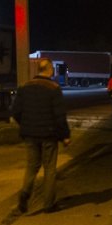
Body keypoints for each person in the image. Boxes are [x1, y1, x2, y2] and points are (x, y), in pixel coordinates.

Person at [10, 57, 71, 213]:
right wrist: (65, 135)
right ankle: (48, 204)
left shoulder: (24, 87)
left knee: (32, 167)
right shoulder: (54, 88)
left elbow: (15, 111)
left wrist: (25, 125)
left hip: (30, 135)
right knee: (49, 169)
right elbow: (59, 115)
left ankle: (24, 194)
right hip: (48, 135)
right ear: (50, 70)